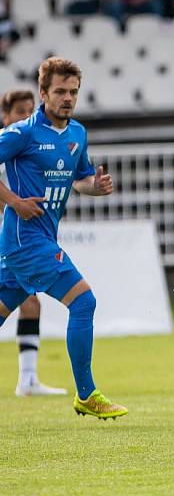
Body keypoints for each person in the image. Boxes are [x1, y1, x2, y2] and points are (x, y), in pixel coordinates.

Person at [0, 58, 126, 419]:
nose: (67, 98)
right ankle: (86, 394)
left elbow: (81, 178)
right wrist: (14, 202)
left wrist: (94, 187)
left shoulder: (77, 134)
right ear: (43, 93)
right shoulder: (23, 132)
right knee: (84, 302)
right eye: (60, 92)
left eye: (73, 92)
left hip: (34, 240)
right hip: (26, 241)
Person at [0, 90, 67, 397]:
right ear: (5, 116)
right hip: (9, 241)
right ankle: (27, 380)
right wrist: (14, 202)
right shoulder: (9, 144)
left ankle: (28, 379)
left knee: (29, 302)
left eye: (30, 110)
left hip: (16, 241)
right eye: (19, 111)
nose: (26, 116)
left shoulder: (25, 148)